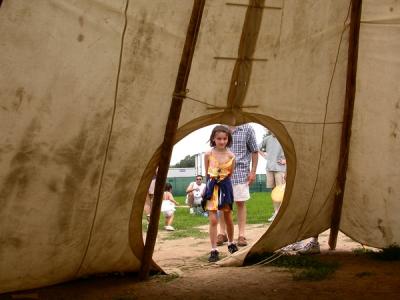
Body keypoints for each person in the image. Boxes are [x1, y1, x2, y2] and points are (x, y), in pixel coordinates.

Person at [217, 124, 258, 247]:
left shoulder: (248, 128)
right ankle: (222, 233)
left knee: (240, 203)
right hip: (222, 172)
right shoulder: (221, 127)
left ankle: (241, 235)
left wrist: (253, 171)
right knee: (223, 204)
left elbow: (255, 151)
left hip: (241, 172)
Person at [203, 125, 239, 262]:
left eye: (225, 138)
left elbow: (231, 175)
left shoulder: (231, 156)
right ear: (213, 138)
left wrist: (226, 187)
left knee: (228, 217)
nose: (222, 141)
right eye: (219, 138)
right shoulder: (208, 154)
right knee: (213, 220)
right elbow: (207, 173)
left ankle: (231, 243)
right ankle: (214, 249)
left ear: (228, 139)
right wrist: (206, 190)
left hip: (226, 188)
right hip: (212, 188)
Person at [259, 131, 286, 222]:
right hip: (269, 168)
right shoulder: (267, 139)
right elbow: (257, 148)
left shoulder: (283, 138)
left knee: (281, 191)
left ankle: (281, 213)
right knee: (273, 192)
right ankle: (276, 212)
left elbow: (291, 151)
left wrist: (285, 160)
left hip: (280, 169)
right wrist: (265, 156)